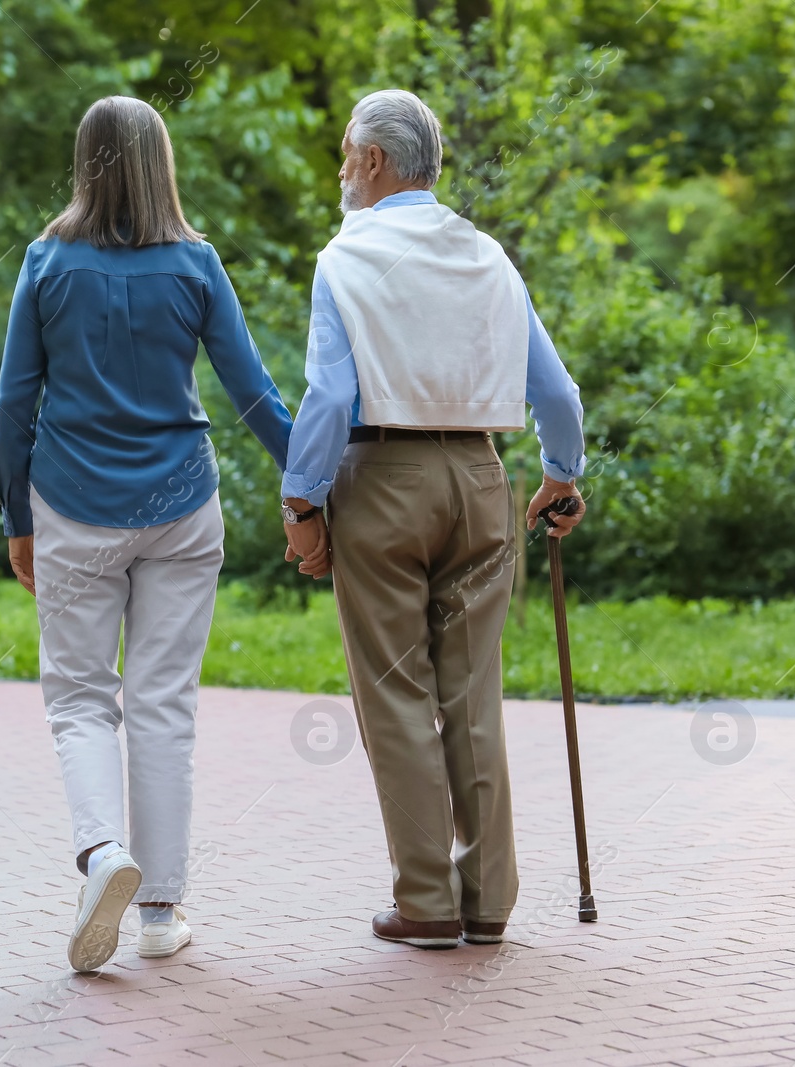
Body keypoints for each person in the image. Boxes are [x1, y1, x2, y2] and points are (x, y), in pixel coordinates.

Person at [0, 95, 293, 972]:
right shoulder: (196, 263)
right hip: (182, 506)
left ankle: (102, 856)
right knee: (164, 705)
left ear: (84, 162)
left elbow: (14, 405)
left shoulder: (46, 263)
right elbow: (254, 393)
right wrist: (315, 483)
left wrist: (19, 520)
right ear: (161, 161)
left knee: (82, 697)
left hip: (73, 508)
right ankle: (160, 910)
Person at [280, 89, 587, 949]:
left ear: (373, 161)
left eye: (347, 153)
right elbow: (557, 393)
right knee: (472, 694)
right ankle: (487, 900)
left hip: (381, 476)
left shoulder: (346, 256)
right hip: (483, 476)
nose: (343, 169)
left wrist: (301, 502)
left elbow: (330, 395)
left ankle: (426, 902)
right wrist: (561, 477)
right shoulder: (488, 256)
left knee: (396, 693)